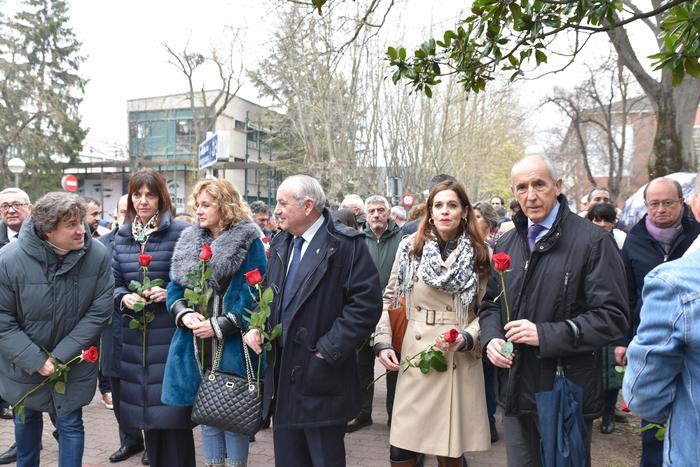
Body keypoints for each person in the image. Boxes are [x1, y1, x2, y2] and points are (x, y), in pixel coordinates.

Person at [479, 155, 629, 467]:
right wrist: (491, 340)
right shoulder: (508, 241)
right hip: (515, 387)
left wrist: (544, 334)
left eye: (539, 185)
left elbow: (613, 317)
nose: (530, 195)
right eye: (522, 187)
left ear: (557, 187)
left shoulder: (593, 241)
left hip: (564, 390)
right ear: (513, 192)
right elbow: (490, 304)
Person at [243, 174, 382, 467]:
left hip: (321, 375)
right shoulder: (281, 242)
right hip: (283, 377)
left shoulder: (345, 245)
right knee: (289, 458)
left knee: (324, 458)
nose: (276, 209)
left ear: (307, 206)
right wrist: (257, 324)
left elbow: (366, 306)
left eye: (282, 202)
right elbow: (269, 293)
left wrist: (327, 350)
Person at [374, 179, 491, 466]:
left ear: (465, 211)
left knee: (449, 448)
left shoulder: (480, 254)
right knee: (401, 448)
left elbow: (488, 310)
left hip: (457, 354)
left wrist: (467, 337)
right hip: (417, 355)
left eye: (452, 205)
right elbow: (391, 298)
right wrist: (383, 341)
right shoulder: (409, 248)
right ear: (430, 211)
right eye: (438, 205)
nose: (444, 211)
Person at [0, 192, 113, 467]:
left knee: (71, 422)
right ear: (48, 231)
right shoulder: (8, 260)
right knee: (26, 423)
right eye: (71, 225)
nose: (81, 230)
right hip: (23, 364)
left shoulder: (96, 254)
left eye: (81, 222)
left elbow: (99, 311)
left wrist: (59, 357)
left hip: (71, 362)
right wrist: (35, 360)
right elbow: (3, 319)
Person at [162, 179, 267, 466]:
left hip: (233, 343)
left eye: (206, 204)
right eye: (197, 205)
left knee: (232, 416)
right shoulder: (189, 239)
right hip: (195, 343)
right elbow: (174, 288)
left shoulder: (249, 241)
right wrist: (184, 313)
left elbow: (256, 293)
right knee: (207, 415)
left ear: (225, 204)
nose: (198, 211)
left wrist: (220, 324)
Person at [111, 169, 193, 467]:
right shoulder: (122, 237)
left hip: (169, 334)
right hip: (136, 341)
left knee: (174, 420)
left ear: (161, 197)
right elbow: (115, 281)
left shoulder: (181, 232)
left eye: (150, 195)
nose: (143, 201)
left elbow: (194, 282)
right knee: (149, 421)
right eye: (137, 195)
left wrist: (170, 293)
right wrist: (123, 297)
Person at [617, 176, 700, 467]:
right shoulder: (633, 240)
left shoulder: (694, 240)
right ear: (645, 206)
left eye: (667, 203)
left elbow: (643, 393)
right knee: (652, 438)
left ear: (685, 203)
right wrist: (623, 339)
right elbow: (626, 293)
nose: (661, 209)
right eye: (654, 204)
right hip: (650, 338)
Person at [348, 195, 402, 433]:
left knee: (393, 363)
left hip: (393, 310)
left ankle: (395, 414)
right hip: (362, 308)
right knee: (362, 363)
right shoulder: (358, 239)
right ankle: (363, 413)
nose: (377, 215)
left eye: (381, 210)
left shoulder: (401, 239)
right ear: (365, 215)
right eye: (372, 211)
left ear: (388, 213)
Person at [99, 195, 147, 463]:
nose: (129, 217)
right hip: (114, 324)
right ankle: (130, 440)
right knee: (118, 388)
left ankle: (153, 442)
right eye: (123, 212)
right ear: (116, 214)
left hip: (146, 326)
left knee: (147, 388)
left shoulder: (150, 242)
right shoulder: (101, 245)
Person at [585, 202, 627, 435]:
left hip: (615, 316)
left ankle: (609, 412)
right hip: (591, 317)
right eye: (597, 220)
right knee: (593, 368)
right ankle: (596, 409)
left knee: (614, 368)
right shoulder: (586, 242)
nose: (602, 225)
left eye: (606, 220)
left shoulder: (623, 243)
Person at [0, 187, 32, 464]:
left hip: (39, 327)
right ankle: (20, 444)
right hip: (7, 327)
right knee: (17, 392)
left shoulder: (43, 235)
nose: (10, 210)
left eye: (17, 204)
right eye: (5, 206)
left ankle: (60, 429)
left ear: (29, 208)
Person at [472, 201, 500, 442]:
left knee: (485, 377)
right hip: (461, 325)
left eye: (478, 215)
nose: (473, 218)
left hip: (484, 321)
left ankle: (488, 421)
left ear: (489, 223)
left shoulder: (492, 251)